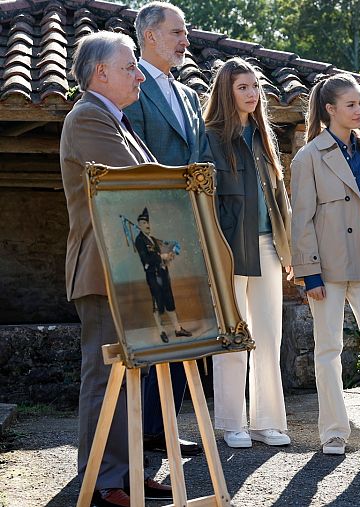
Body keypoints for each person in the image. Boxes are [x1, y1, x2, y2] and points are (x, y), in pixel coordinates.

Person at [60, 31, 172, 507]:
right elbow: (140, 183)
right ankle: (103, 481)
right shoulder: (88, 116)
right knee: (105, 377)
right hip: (104, 268)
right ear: (100, 72)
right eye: (130, 67)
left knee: (135, 373)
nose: (139, 75)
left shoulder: (116, 118)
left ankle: (126, 471)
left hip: (131, 267)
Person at [290, 73, 360, 457]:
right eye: (352, 104)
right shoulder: (309, 157)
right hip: (328, 269)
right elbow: (301, 220)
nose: (359, 110)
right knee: (328, 350)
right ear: (330, 109)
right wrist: (309, 273)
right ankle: (334, 432)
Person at [124, 1, 213, 457]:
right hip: (149, 238)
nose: (185, 40)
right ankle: (140, 434)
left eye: (185, 32)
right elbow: (132, 164)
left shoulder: (188, 95)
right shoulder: (130, 87)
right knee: (154, 329)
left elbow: (201, 160)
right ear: (150, 37)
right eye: (176, 32)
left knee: (186, 331)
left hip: (190, 232)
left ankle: (163, 428)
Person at [205, 57, 292, 449]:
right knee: (232, 336)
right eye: (243, 88)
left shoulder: (262, 137)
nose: (252, 94)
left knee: (269, 336)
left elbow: (279, 198)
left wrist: (288, 249)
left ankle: (267, 421)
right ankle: (231, 422)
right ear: (227, 91)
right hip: (228, 249)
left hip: (268, 248)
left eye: (255, 87)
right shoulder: (210, 137)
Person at [133, 207, 191, 343]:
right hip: (153, 276)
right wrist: (162, 257)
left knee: (169, 301)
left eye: (147, 223)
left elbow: (161, 254)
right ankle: (161, 331)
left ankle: (177, 329)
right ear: (139, 226)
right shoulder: (140, 240)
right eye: (143, 224)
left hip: (163, 274)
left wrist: (168, 257)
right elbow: (146, 259)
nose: (146, 225)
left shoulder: (153, 239)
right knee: (157, 303)